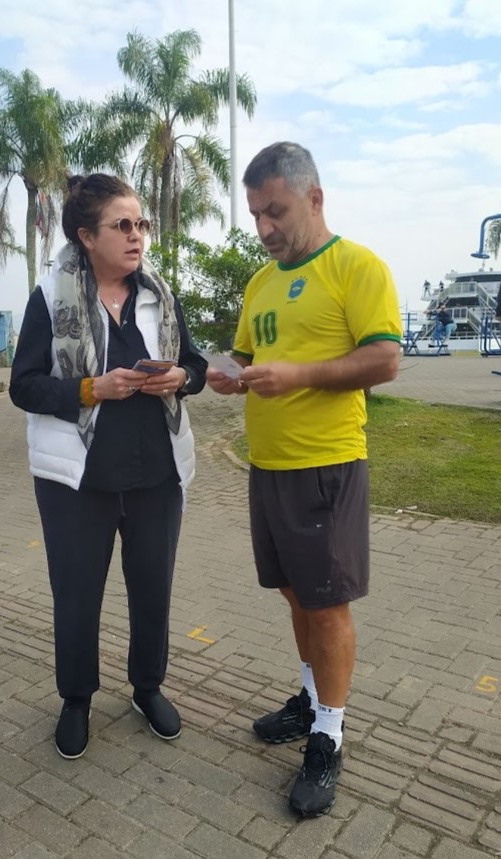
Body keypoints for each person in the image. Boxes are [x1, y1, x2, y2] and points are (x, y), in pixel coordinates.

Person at [207, 142, 402, 818]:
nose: (263, 227)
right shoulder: (260, 283)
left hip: (327, 466)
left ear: (313, 198)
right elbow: (245, 355)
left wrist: (298, 375)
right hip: (267, 467)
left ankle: (330, 732)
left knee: (327, 604)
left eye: (275, 211)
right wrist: (224, 374)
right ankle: (310, 696)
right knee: (293, 592)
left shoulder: (356, 267)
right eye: (255, 213)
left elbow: (384, 359)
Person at [10, 173, 207, 759]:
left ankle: (148, 688)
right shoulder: (51, 298)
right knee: (76, 595)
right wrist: (91, 389)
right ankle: (76, 699)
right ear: (85, 236)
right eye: (123, 225)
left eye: (141, 224)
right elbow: (23, 386)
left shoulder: (160, 294)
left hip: (156, 475)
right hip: (78, 481)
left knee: (153, 590)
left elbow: (194, 365)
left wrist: (181, 378)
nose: (137, 235)